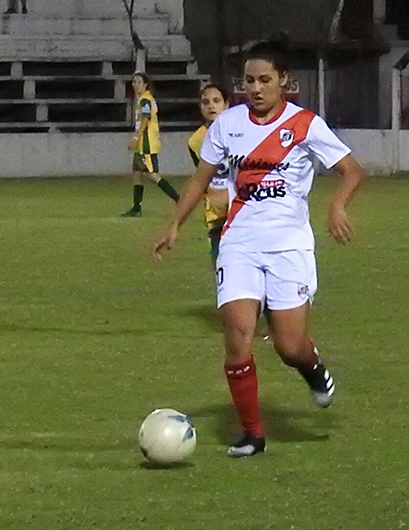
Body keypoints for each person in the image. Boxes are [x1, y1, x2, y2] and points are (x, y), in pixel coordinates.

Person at [152, 40, 365, 457]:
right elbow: (200, 178)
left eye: (265, 79)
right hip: (239, 243)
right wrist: (175, 222)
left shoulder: (305, 124)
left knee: (289, 346)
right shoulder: (227, 124)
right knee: (238, 336)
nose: (256, 88)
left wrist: (337, 204)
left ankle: (311, 364)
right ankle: (252, 433)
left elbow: (351, 170)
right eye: (249, 80)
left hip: (289, 246)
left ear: (284, 81)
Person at [121, 73, 180, 216]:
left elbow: (145, 119)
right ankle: (136, 208)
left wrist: (136, 137)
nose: (136, 85)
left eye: (139, 82)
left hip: (146, 143)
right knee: (136, 173)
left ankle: (180, 200)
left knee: (152, 175)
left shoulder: (145, 100)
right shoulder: (143, 99)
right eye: (134, 82)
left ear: (145, 84)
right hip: (142, 143)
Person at [187, 83, 230, 260]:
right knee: (220, 264)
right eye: (206, 102)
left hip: (243, 209)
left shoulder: (239, 130)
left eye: (216, 101)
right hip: (216, 212)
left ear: (226, 104)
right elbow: (202, 177)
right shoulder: (196, 140)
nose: (211, 106)